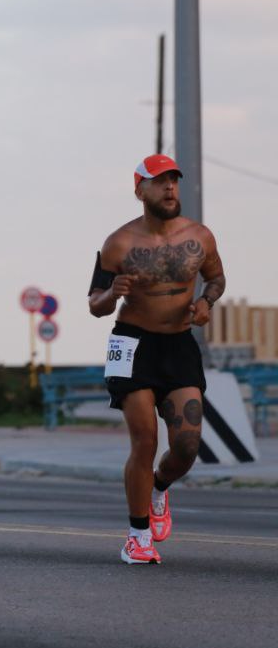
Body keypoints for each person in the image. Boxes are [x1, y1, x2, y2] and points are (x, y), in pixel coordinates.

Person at [88, 154, 225, 565]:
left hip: (179, 343)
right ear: (140, 190)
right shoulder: (119, 243)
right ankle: (137, 536)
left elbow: (217, 279)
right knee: (145, 440)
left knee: (186, 446)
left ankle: (160, 489)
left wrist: (205, 302)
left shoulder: (200, 237)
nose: (169, 188)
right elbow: (95, 305)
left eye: (173, 181)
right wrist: (113, 293)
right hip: (132, 344)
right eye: (160, 181)